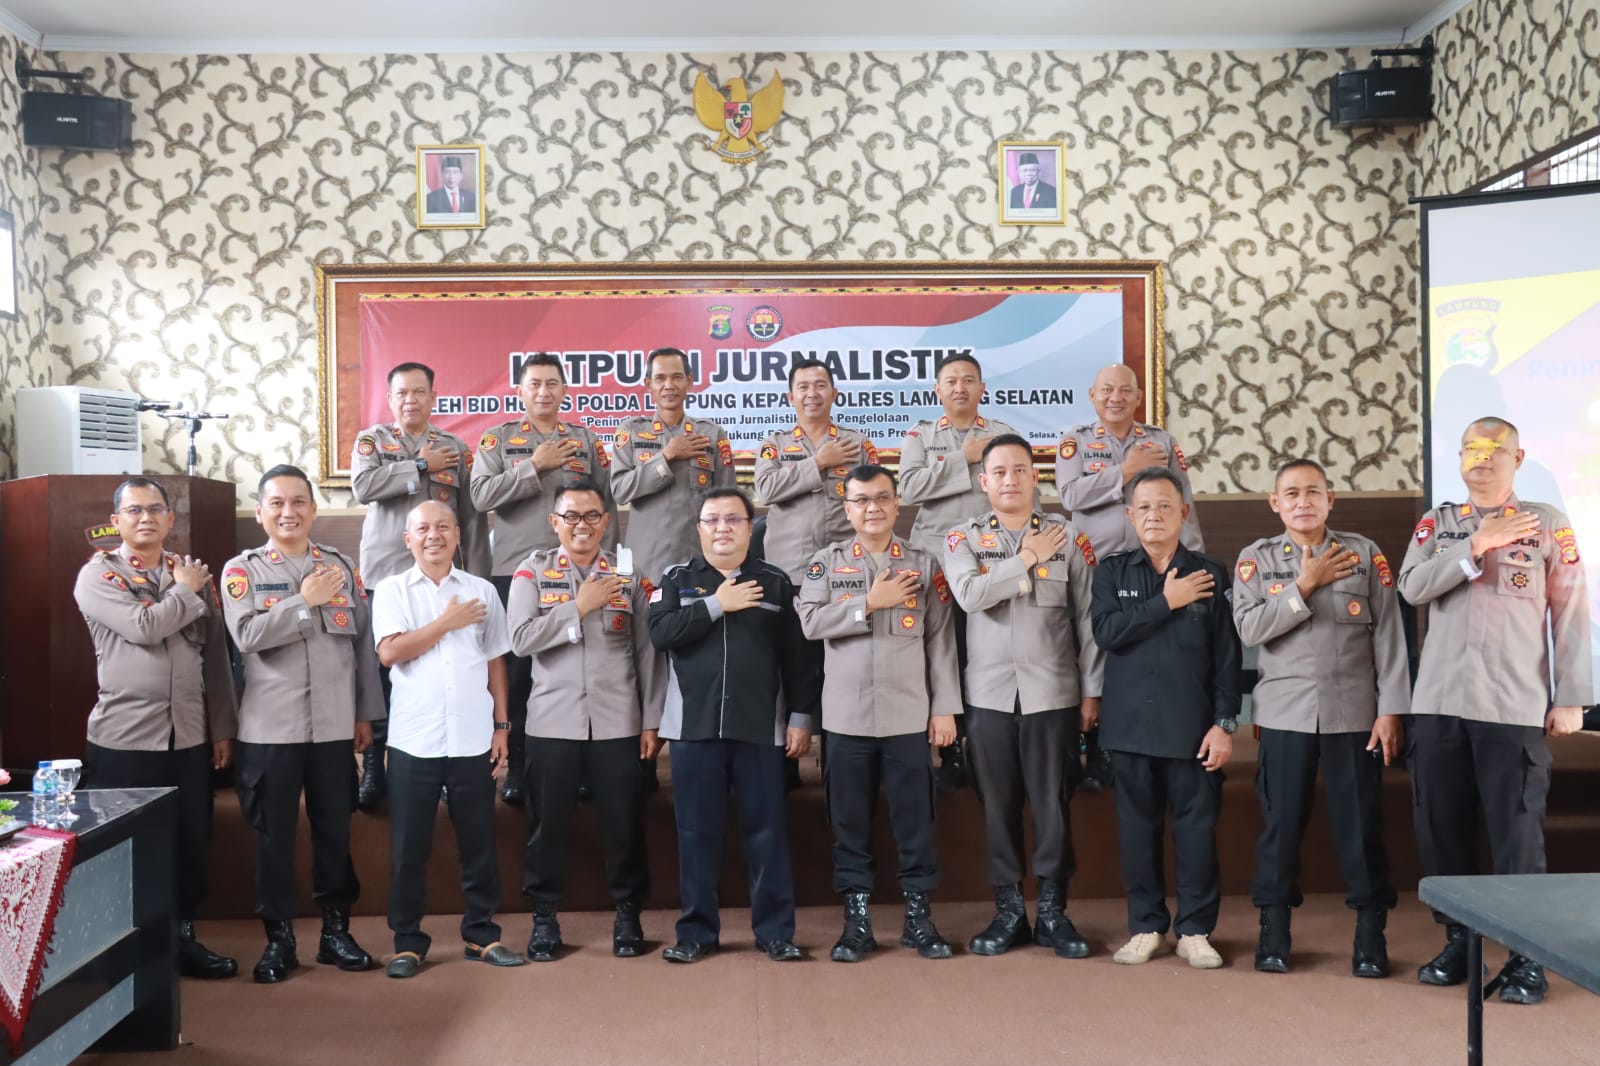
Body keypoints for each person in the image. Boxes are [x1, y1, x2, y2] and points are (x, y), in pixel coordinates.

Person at [1399, 417, 1591, 1005]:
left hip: (1512, 704)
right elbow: (1411, 588)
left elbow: (1572, 611)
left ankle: (1527, 958)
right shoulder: (1438, 524)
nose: (1482, 458)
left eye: (1494, 448)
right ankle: (1459, 942)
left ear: (1518, 458)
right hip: (1440, 702)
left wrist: (1571, 696)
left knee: (1517, 836)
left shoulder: (1547, 524)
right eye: (1471, 448)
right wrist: (1474, 545)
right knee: (1442, 830)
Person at [1232, 459, 1407, 979]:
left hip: (1353, 713)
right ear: (1275, 503)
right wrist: (1302, 586)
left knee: (1361, 827)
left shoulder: (1364, 553)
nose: (1303, 501)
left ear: (1331, 499)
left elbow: (1389, 635)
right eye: (1291, 493)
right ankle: (1274, 931)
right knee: (1281, 827)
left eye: (1313, 491)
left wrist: (1391, 709)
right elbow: (1249, 630)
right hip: (1286, 714)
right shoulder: (1256, 559)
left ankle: (1371, 935)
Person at [220, 465, 383, 982]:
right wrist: (303, 601)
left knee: (335, 831)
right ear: (260, 511)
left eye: (298, 502)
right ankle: (279, 939)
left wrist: (364, 713)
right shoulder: (241, 570)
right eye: (276, 503)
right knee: (274, 838)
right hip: (272, 729)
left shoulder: (341, 566)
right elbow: (247, 636)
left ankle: (336, 932)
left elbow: (362, 645)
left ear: (313, 509)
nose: (288, 512)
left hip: (334, 726)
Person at [944, 434, 1103, 959]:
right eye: (999, 472)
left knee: (1053, 805)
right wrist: (1027, 559)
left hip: (1052, 693)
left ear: (1036, 477)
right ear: (983, 481)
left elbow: (1088, 621)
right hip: (989, 697)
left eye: (1020, 470)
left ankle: (1053, 912)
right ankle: (1009, 911)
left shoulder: (1070, 537)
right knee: (998, 805)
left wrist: (1092, 692)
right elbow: (970, 595)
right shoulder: (962, 538)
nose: (1010, 480)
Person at [73, 476, 238, 979]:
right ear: (116, 521)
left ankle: (182, 940)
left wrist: (222, 727)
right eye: (134, 510)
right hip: (124, 738)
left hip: (187, 735)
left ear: (170, 519)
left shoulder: (190, 572)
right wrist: (184, 590)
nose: (145, 518)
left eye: (154, 510)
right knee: (125, 847)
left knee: (189, 843)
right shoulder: (98, 575)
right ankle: (122, 953)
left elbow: (216, 656)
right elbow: (143, 628)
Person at [647, 487, 822, 963]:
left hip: (760, 728)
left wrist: (801, 718)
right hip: (693, 730)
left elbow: (799, 659)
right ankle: (696, 933)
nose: (722, 528)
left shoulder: (776, 582)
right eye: (713, 520)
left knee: (767, 833)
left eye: (733, 519)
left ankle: (775, 932)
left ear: (750, 527)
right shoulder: (676, 579)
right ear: (699, 529)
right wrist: (716, 604)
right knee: (695, 834)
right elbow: (660, 633)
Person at [796, 465, 961, 962]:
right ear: (847, 509)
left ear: (896, 504)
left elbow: (941, 641)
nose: (873, 508)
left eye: (882, 498)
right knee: (849, 824)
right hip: (846, 719)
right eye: (862, 500)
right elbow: (809, 623)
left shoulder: (923, 563)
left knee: (915, 822)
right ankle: (857, 922)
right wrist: (867, 603)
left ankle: (918, 918)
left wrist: (944, 709)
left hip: (908, 716)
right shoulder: (825, 564)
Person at [507, 480, 667, 961]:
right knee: (547, 825)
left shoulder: (629, 575)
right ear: (554, 522)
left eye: (592, 516)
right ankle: (544, 918)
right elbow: (520, 639)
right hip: (552, 722)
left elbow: (648, 653)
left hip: (618, 721)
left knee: (624, 824)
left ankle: (628, 914)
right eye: (571, 516)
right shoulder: (532, 572)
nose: (582, 525)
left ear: (606, 521)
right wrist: (578, 607)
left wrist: (651, 720)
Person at [1090, 467, 1241, 970]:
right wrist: (1165, 603)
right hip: (1129, 729)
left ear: (1183, 513)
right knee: (1137, 834)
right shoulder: (1112, 572)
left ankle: (1195, 930)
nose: (1153, 515)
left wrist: (1225, 723)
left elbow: (1227, 657)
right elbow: (1107, 633)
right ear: (1130, 515)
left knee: (1196, 835)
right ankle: (1147, 926)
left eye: (1164, 506)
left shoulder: (1210, 574)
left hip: (1193, 730)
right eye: (1144, 507)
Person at [370, 501, 525, 977]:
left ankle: (482, 935)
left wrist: (502, 726)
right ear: (408, 539)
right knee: (408, 849)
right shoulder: (392, 590)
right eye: (423, 529)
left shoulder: (482, 590)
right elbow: (390, 652)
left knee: (479, 844)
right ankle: (407, 942)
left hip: (473, 737)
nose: (433, 535)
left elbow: (496, 659)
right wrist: (445, 623)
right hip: (414, 740)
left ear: (458, 535)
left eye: (442, 527)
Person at [471, 352, 618, 804]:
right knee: (518, 673)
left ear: (564, 390)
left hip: (581, 573)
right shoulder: (498, 440)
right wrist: (532, 466)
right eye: (534, 384)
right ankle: (517, 766)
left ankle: (583, 766)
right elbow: (480, 496)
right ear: (519, 391)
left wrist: (611, 565)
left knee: (578, 666)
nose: (543, 392)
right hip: (515, 571)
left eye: (552, 383)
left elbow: (607, 504)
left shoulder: (586, 441)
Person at [1058, 363, 1204, 791]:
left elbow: (1183, 500)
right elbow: (1070, 495)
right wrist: (1124, 470)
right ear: (1092, 395)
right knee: (1094, 642)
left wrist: (1192, 558)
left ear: (1139, 397)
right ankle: (1095, 742)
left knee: (1147, 645)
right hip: (1094, 563)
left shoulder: (1161, 441)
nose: (1115, 397)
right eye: (1106, 390)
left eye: (1125, 390)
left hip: (1152, 562)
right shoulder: (1075, 440)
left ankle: (1149, 737)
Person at [351, 361, 488, 810]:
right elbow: (363, 487)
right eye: (402, 393)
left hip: (441, 578)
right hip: (387, 574)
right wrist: (420, 465)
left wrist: (477, 577)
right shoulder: (373, 441)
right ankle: (377, 762)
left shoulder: (456, 448)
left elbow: (470, 516)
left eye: (419, 392)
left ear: (433, 398)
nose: (411, 400)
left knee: (439, 663)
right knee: (382, 670)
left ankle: (444, 760)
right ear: (390, 400)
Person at [897, 353, 1027, 790]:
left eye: (968, 380)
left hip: (993, 563)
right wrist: (962, 458)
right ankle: (950, 747)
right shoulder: (921, 435)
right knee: (943, 650)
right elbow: (908, 488)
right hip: (936, 559)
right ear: (937, 389)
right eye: (951, 381)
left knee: (986, 652)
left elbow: (1019, 490)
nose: (960, 388)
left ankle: (986, 744)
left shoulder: (1003, 435)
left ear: (981, 388)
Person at [610, 347, 736, 791]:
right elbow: (620, 489)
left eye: (677, 377)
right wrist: (666, 456)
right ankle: (643, 759)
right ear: (648, 385)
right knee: (646, 659)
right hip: (646, 567)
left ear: (689, 382)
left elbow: (728, 500)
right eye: (660, 378)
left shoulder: (712, 434)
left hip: (699, 569)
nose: (669, 385)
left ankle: (704, 752)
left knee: (700, 657)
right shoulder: (631, 433)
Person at [752, 357, 879, 583]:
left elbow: (876, 500)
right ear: (791, 397)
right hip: (789, 568)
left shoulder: (857, 444)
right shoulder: (774, 444)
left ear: (834, 394)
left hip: (847, 564)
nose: (812, 394)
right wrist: (818, 462)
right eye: (803, 387)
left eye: (820, 386)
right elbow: (765, 490)